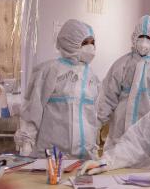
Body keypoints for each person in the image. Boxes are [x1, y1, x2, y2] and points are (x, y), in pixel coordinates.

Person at [14, 19, 100, 159]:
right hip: (52, 156)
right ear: (69, 42)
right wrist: (26, 143)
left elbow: (92, 118)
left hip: (84, 156)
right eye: (85, 43)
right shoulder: (49, 71)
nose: (90, 47)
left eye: (93, 43)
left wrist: (94, 148)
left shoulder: (91, 77)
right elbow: (33, 110)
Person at [96, 15, 150, 157]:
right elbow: (107, 97)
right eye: (141, 37)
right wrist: (96, 124)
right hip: (120, 133)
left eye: (148, 38)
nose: (144, 42)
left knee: (145, 174)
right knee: (117, 171)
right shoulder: (121, 64)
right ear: (134, 37)